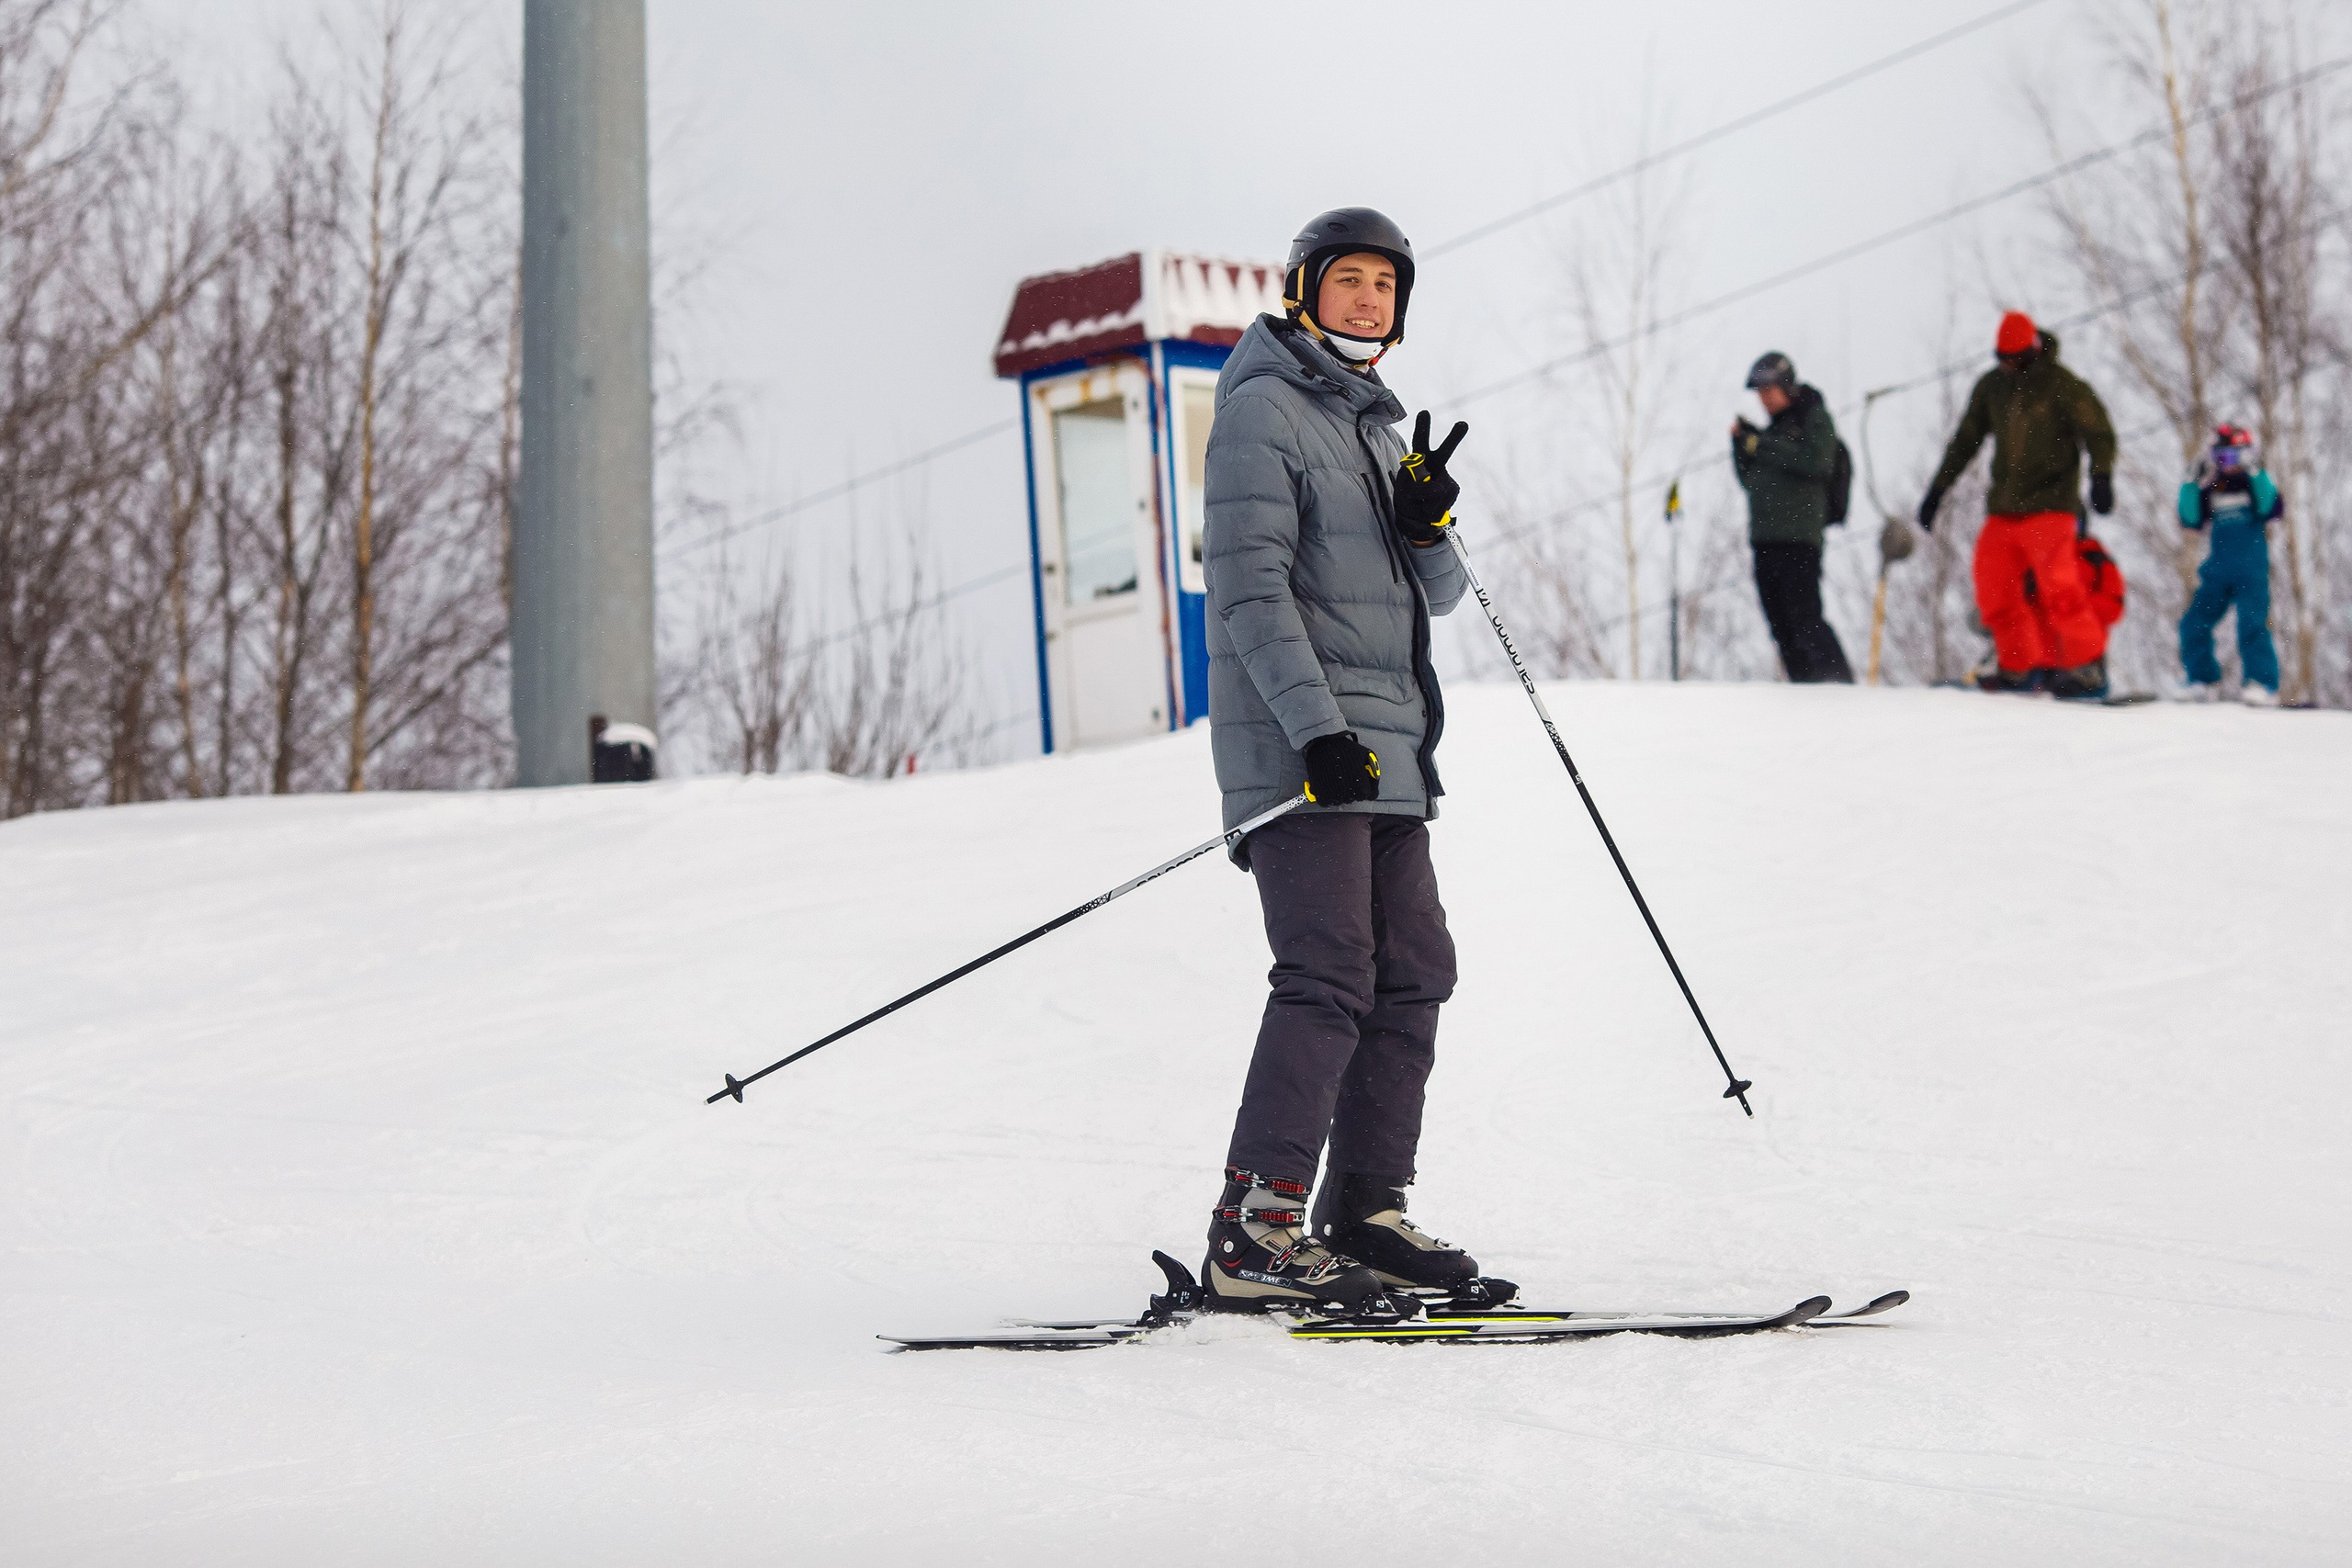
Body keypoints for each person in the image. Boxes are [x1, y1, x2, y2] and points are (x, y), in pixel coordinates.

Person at [1198, 207, 1482, 1316]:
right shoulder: (1262, 411)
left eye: (1384, 286)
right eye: (1347, 280)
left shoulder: (1371, 428)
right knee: (1325, 976)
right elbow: (1250, 588)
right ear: (1302, 290)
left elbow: (1446, 594)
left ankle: (1362, 1206)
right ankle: (1254, 1231)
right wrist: (1318, 733)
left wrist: (1424, 523)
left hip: (1390, 757)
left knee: (1414, 970)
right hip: (1306, 750)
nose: (1367, 300)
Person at [1918, 310, 2120, 699]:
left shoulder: (2062, 385)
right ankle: (2018, 667)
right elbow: (1965, 442)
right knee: (1994, 589)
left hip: (2051, 505)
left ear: (2033, 349)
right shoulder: (1993, 388)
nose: (2010, 366)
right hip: (2005, 509)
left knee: (2060, 588)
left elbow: (2098, 431)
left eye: (2017, 358)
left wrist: (2102, 476)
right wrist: (1937, 492)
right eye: (2003, 359)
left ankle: (2087, 666)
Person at [1731, 352, 1854, 682]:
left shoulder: (1814, 418)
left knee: (1805, 619)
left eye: (1768, 391)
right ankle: (1806, 690)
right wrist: (1741, 446)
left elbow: (1818, 462)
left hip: (1799, 538)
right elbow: (1752, 482)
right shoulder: (1771, 433)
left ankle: (1840, 686)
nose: (1764, 400)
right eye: (1760, 393)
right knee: (1781, 626)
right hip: (1765, 538)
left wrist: (1760, 445)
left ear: (1786, 385)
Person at [2177, 423, 2283, 706]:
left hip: (2251, 570)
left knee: (2252, 624)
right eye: (2221, 457)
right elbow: (2190, 519)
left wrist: (2256, 473)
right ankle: (2201, 680)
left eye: (2234, 457)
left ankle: (2262, 683)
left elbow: (2270, 508)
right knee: (2193, 623)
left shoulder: (2253, 484)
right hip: (2217, 571)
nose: (2228, 465)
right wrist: (2189, 484)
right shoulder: (2214, 488)